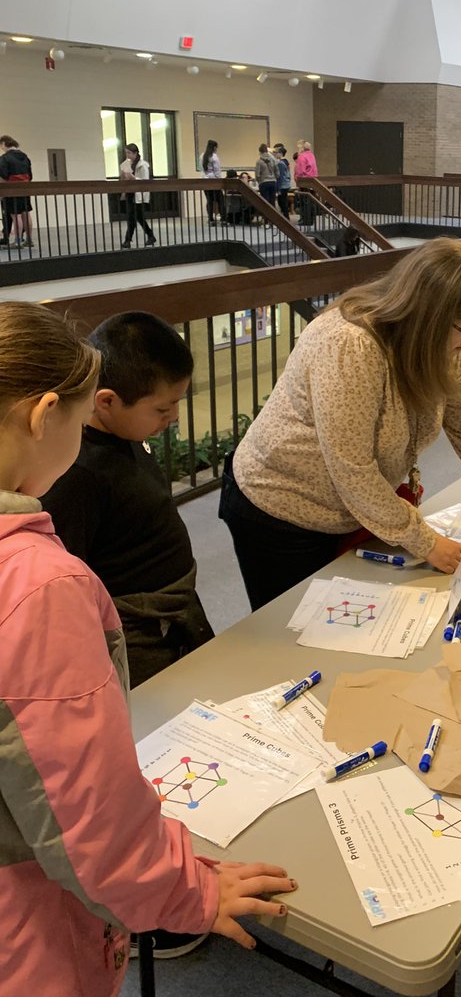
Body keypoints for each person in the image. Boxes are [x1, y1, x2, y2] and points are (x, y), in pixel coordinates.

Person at [0, 301, 294, 997]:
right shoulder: (38, 586)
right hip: (25, 932)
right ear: (48, 415)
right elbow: (87, 817)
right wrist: (186, 894)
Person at [219, 237, 461, 610]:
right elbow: (352, 469)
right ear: (431, 317)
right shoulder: (350, 345)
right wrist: (426, 541)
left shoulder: (440, 349)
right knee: (292, 632)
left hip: (351, 509)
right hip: (279, 509)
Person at [42, 310, 214, 689]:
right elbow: (71, 581)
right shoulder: (80, 474)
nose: (173, 417)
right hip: (138, 631)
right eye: (162, 408)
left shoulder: (128, 433)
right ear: (106, 401)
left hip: (173, 611)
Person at [0, 133, 34, 247]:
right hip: (25, 188)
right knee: (26, 214)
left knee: (15, 215)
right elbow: (30, 175)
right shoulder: (25, 156)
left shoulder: (5, 158)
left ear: (4, 144)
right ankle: (29, 240)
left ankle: (18, 241)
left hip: (11, 189)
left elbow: (2, 176)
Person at [120, 143, 156, 248]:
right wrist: (124, 176)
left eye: (129, 153)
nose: (127, 155)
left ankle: (128, 240)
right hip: (130, 193)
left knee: (133, 217)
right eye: (126, 153)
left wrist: (133, 177)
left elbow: (144, 181)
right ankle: (150, 235)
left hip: (138, 194)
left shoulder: (142, 165)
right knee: (137, 217)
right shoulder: (127, 164)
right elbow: (125, 180)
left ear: (135, 153)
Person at [294, 139, 318, 229]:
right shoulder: (312, 155)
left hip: (304, 181)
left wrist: (297, 179)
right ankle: (311, 219)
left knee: (304, 201)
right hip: (313, 180)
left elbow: (300, 171)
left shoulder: (301, 156)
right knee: (311, 201)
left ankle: (305, 220)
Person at [201, 138, 222, 224]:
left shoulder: (202, 156)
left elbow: (202, 169)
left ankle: (210, 219)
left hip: (205, 181)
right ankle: (223, 218)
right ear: (214, 147)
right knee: (220, 200)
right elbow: (217, 170)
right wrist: (218, 180)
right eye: (216, 147)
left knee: (209, 200)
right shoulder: (214, 157)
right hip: (214, 181)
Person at [254, 143, 279, 209]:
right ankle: (273, 217)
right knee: (272, 201)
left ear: (260, 152)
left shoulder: (259, 161)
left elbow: (257, 174)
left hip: (264, 182)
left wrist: (259, 182)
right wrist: (275, 178)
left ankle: (266, 218)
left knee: (265, 202)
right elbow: (277, 173)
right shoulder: (273, 160)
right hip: (273, 182)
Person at [272, 143, 293, 218]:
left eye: (276, 152)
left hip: (283, 185)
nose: (275, 154)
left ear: (280, 153)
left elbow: (279, 177)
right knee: (283, 202)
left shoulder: (280, 163)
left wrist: (278, 189)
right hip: (285, 184)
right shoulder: (283, 162)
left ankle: (286, 218)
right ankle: (286, 217)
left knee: (282, 203)